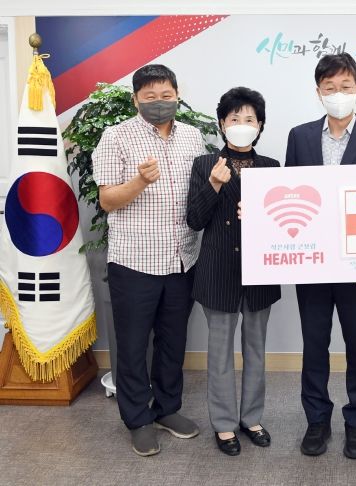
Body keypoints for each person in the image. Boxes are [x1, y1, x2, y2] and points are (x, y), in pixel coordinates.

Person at [285, 53, 356, 459]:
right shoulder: (299, 136)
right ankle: (317, 420)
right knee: (314, 345)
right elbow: (289, 193)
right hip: (312, 261)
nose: (338, 94)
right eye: (329, 87)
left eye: (345, 87)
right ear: (318, 92)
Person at [92, 64, 205, 456]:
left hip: (182, 258)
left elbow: (200, 191)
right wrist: (140, 181)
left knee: (173, 342)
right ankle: (138, 418)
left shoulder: (192, 136)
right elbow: (107, 200)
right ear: (135, 99)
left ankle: (167, 409)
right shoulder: (116, 137)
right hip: (134, 261)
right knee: (133, 344)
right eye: (150, 97)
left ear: (177, 95)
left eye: (166, 95)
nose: (160, 103)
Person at [187, 87, 281, 456]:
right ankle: (224, 425)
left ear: (260, 126)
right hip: (218, 271)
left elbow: (285, 223)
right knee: (220, 353)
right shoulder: (204, 164)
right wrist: (214, 184)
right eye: (234, 118)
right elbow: (195, 219)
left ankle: (252, 419)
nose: (242, 125)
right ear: (222, 124)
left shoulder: (271, 167)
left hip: (260, 272)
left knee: (256, 349)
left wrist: (262, 217)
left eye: (249, 119)